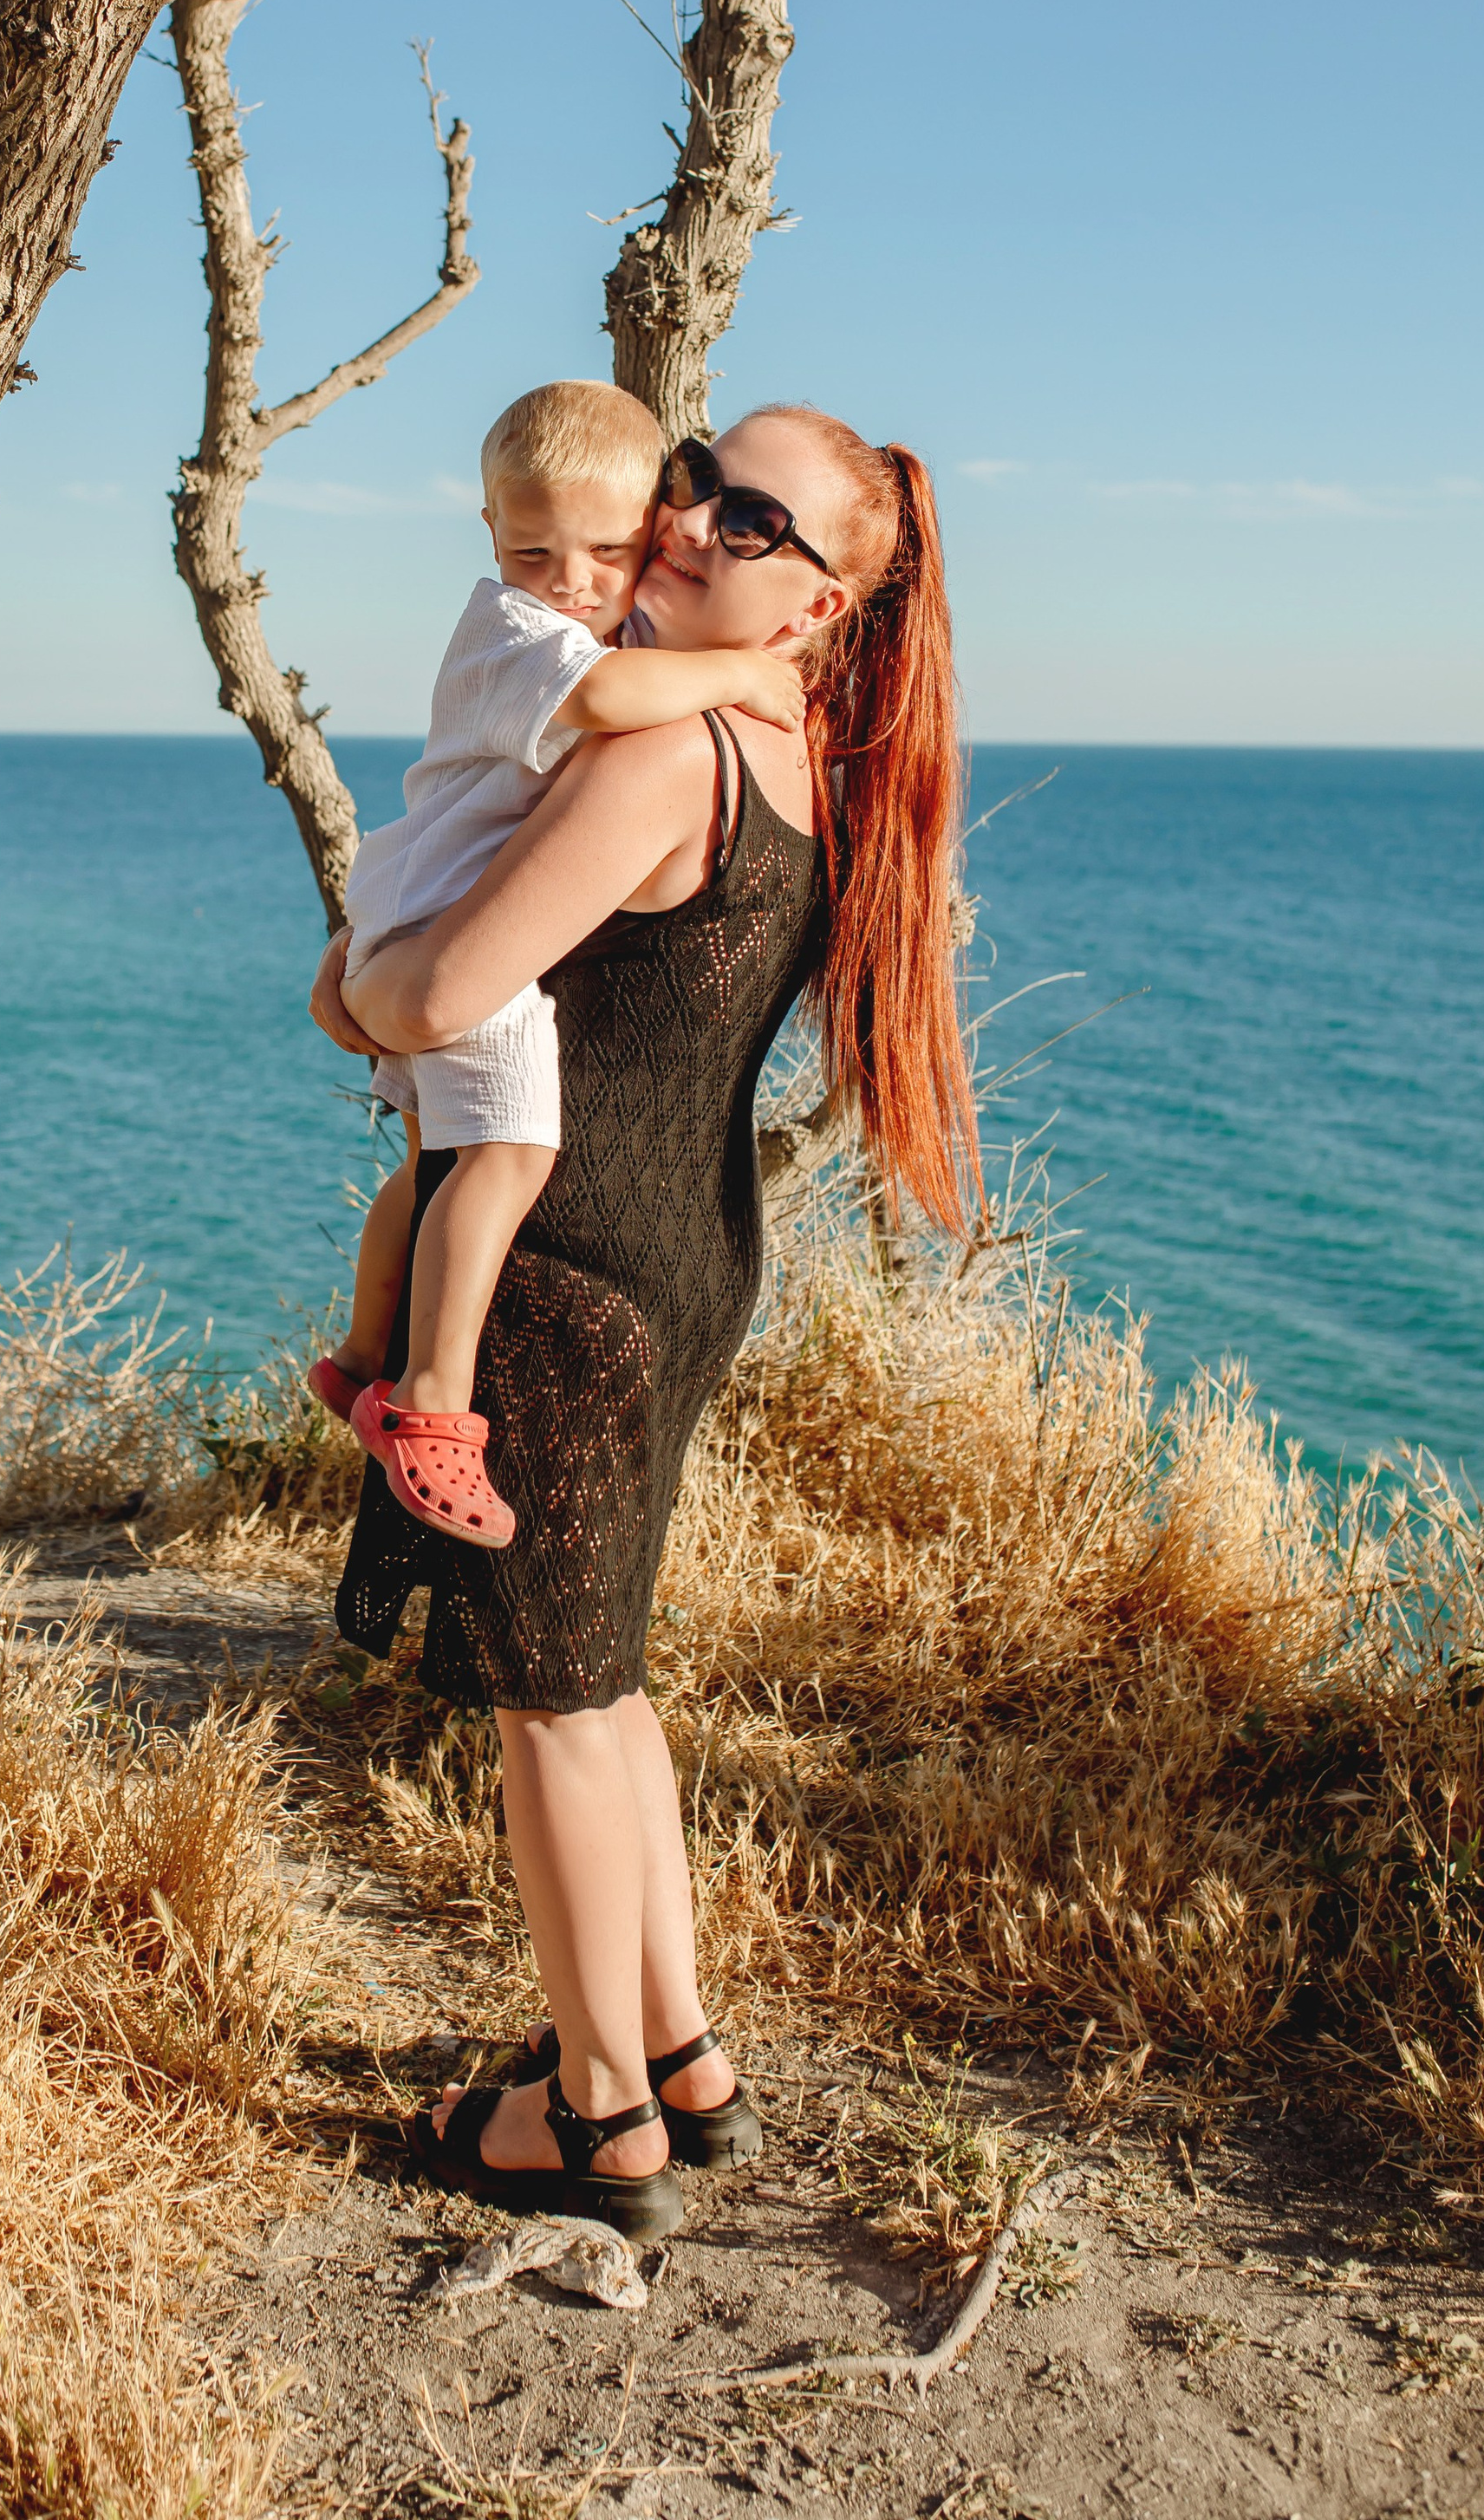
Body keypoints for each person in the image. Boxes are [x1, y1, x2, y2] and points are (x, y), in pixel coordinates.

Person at [309, 402, 979, 2240]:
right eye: (693, 478)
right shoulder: (796, 756)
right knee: (605, 1689)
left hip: (566, 1269)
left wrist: (355, 981)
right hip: (686, 1255)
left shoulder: (657, 755)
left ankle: (588, 2118)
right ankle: (679, 2051)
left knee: (554, 1707)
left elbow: (442, 982)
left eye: (748, 518)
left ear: (825, 599)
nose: (687, 522)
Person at [311, 380, 804, 1549]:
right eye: (534, 549)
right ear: (490, 535)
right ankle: (431, 1406)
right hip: (451, 928)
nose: (573, 578)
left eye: (607, 549)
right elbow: (612, 695)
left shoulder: (573, 613)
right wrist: (742, 675)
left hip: (422, 909)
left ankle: (360, 1359)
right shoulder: (518, 632)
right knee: (515, 1152)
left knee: (437, 1161)